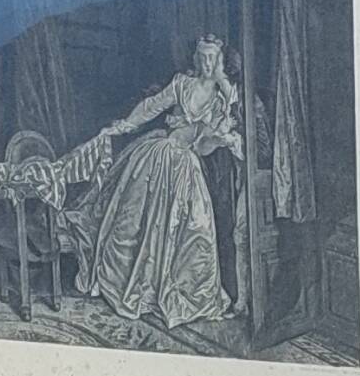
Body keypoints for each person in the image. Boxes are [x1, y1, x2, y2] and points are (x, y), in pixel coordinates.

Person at [68, 35, 243, 340]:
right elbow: (152, 106)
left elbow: (202, 148)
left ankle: (178, 294)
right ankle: (133, 287)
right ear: (195, 57)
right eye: (201, 56)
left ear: (221, 60)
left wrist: (220, 137)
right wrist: (125, 125)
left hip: (186, 167)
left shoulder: (221, 101)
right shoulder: (182, 84)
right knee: (133, 222)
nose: (206, 63)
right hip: (158, 153)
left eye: (212, 57)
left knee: (195, 231)